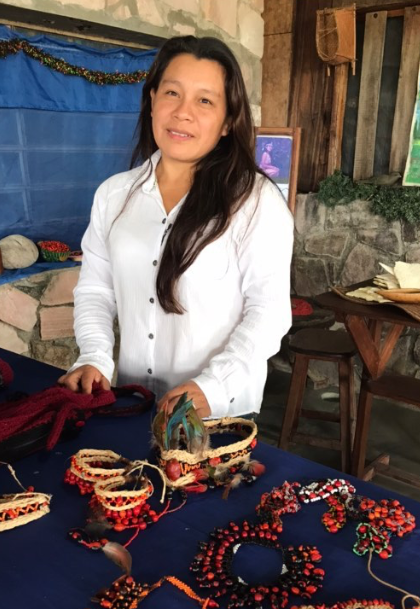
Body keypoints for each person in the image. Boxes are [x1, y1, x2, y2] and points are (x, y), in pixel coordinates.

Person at [58, 35, 293, 420]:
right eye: (172, 93)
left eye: (205, 101)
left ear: (227, 121)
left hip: (216, 415)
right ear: (152, 100)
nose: (183, 113)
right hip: (133, 403)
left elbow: (268, 312)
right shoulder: (114, 196)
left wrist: (214, 385)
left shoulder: (255, 202)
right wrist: (95, 356)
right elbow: (96, 288)